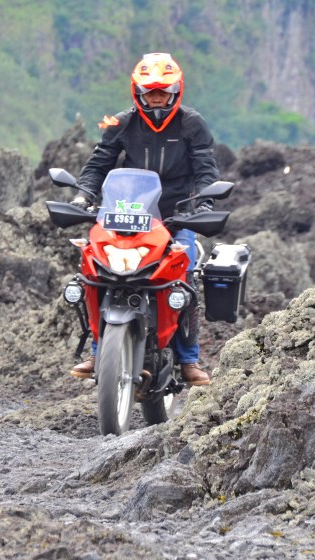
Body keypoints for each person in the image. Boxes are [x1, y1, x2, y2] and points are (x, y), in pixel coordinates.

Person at [69, 52, 219, 386]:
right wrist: (84, 195)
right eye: (150, 92)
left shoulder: (192, 123)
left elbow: (205, 167)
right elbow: (99, 163)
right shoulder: (120, 123)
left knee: (185, 277)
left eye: (163, 91)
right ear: (137, 92)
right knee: (96, 271)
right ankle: (98, 351)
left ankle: (188, 359)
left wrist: (205, 201)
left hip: (177, 215)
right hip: (127, 214)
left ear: (176, 91)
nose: (156, 98)